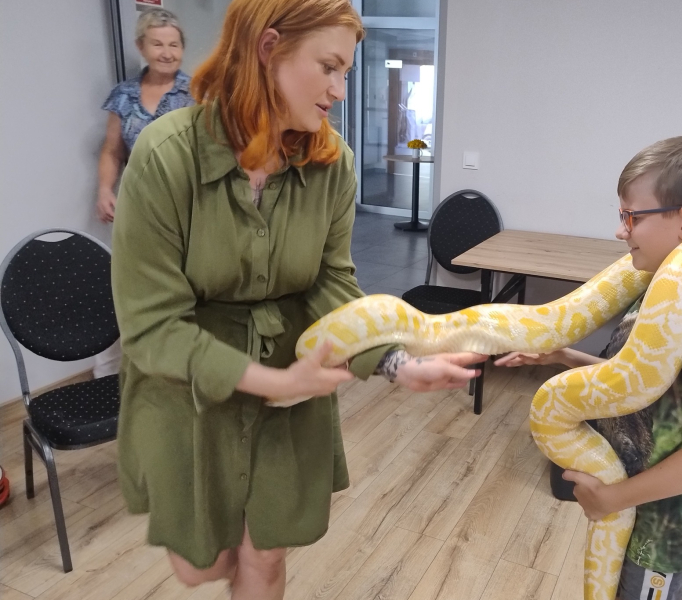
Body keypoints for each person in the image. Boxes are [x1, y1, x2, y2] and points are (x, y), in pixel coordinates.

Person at [109, 2, 484, 599]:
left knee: (269, 552)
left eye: (345, 73)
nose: (339, 89)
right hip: (189, 387)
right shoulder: (164, 158)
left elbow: (331, 283)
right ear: (269, 48)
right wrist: (274, 383)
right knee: (201, 565)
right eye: (329, 67)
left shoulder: (333, 164)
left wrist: (396, 361)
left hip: (293, 372)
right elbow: (151, 325)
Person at [496, 136, 682, 600]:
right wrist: (564, 357)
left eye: (631, 216)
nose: (621, 230)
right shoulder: (659, 287)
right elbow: (649, 385)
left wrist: (612, 498)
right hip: (637, 507)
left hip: (663, 532)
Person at [97, 7, 193, 224]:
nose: (167, 54)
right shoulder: (123, 94)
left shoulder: (199, 93)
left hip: (191, 204)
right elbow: (112, 151)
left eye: (174, 45)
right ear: (141, 46)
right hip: (139, 203)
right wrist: (104, 190)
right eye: (157, 44)